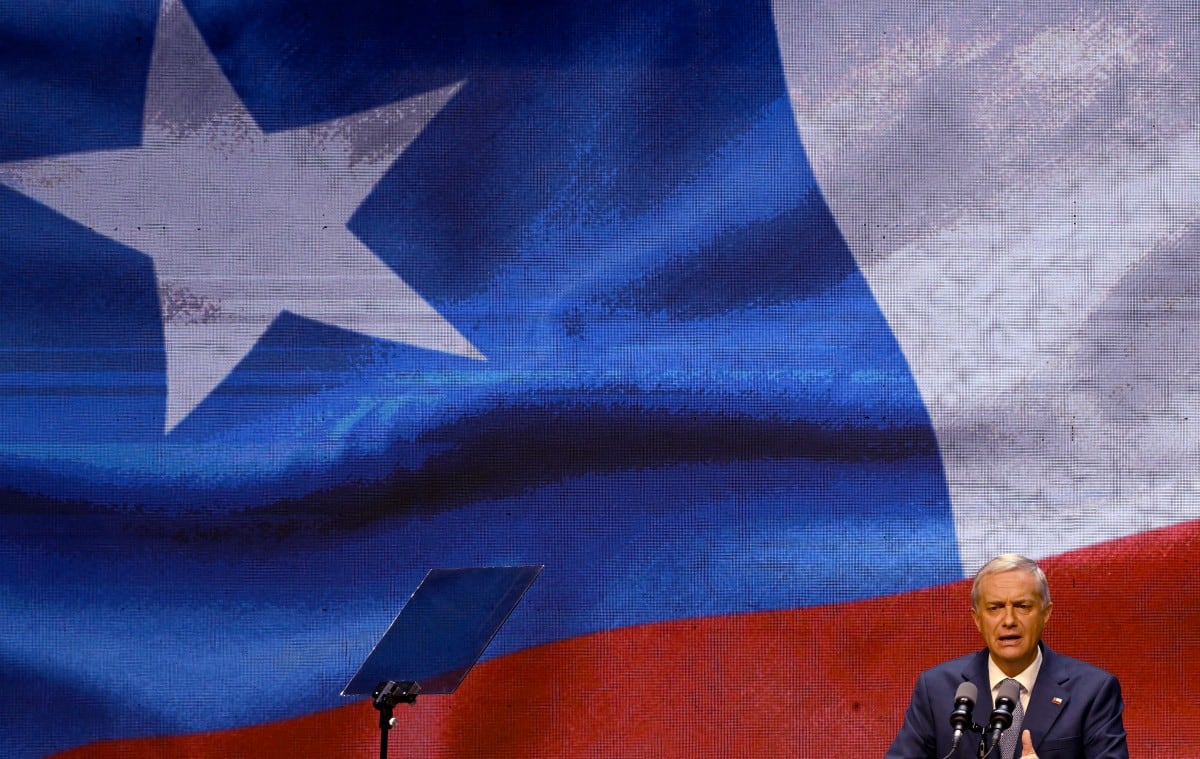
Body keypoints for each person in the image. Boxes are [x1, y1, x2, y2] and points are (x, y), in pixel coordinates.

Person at [885, 554, 1127, 758]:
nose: (1009, 621)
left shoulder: (1093, 691)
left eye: (1022, 606)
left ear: (1045, 613)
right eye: (995, 608)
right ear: (977, 619)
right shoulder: (937, 689)